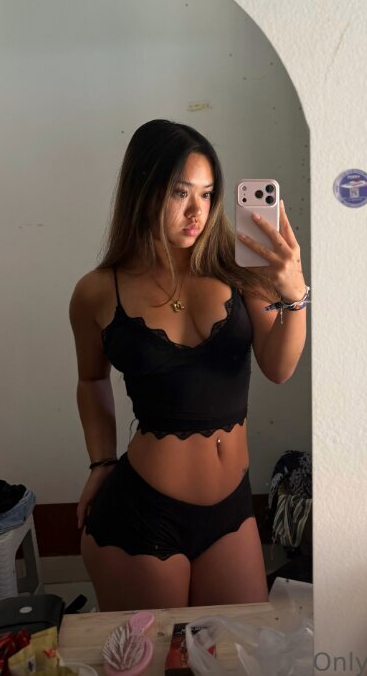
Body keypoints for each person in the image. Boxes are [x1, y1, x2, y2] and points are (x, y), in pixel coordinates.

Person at [69, 119, 309, 611]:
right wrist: (101, 462)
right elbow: (91, 380)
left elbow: (279, 367)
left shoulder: (242, 272)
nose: (198, 211)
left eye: (207, 193)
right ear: (143, 191)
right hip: (142, 514)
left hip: (232, 512)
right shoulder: (97, 291)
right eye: (181, 193)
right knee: (154, 651)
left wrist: (295, 293)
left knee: (238, 647)